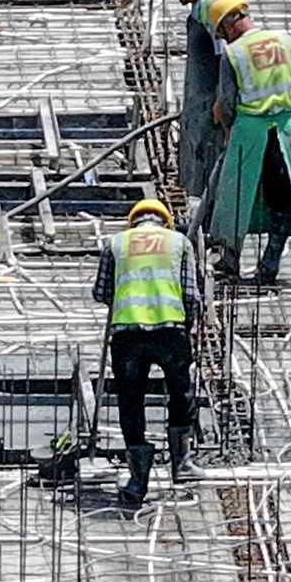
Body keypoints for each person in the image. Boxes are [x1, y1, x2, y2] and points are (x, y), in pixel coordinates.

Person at [203, 0, 291, 287]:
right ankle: (269, 267)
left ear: (228, 27)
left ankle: (230, 264)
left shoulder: (234, 54)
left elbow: (226, 102)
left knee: (234, 199)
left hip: (248, 132)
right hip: (283, 130)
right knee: (282, 200)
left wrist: (225, 123)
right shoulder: (285, 39)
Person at [92, 196, 197, 507]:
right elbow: (191, 294)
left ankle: (139, 481)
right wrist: (188, 325)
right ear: (164, 220)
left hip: (128, 334)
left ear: (133, 221)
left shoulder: (116, 243)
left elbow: (101, 292)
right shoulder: (179, 243)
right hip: (170, 330)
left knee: (131, 404)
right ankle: (181, 465)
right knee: (181, 393)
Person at [156, 0, 233, 208]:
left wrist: (221, 103)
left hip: (212, 107)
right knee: (200, 169)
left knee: (211, 168)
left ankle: (211, 223)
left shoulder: (215, 8)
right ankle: (205, 219)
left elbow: (227, 59)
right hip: (200, 104)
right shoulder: (201, 7)